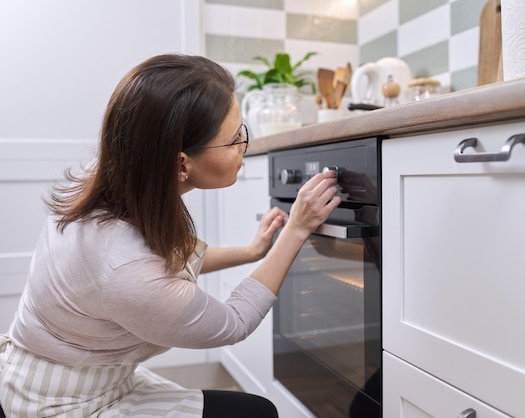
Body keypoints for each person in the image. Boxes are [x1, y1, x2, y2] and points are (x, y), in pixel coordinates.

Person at [0, 54, 340, 417]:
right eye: (234, 139)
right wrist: (297, 229)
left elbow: (165, 265)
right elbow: (234, 322)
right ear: (181, 164)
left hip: (92, 377)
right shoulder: (126, 268)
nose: (245, 146)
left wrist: (253, 251)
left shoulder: (120, 181)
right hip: (62, 401)